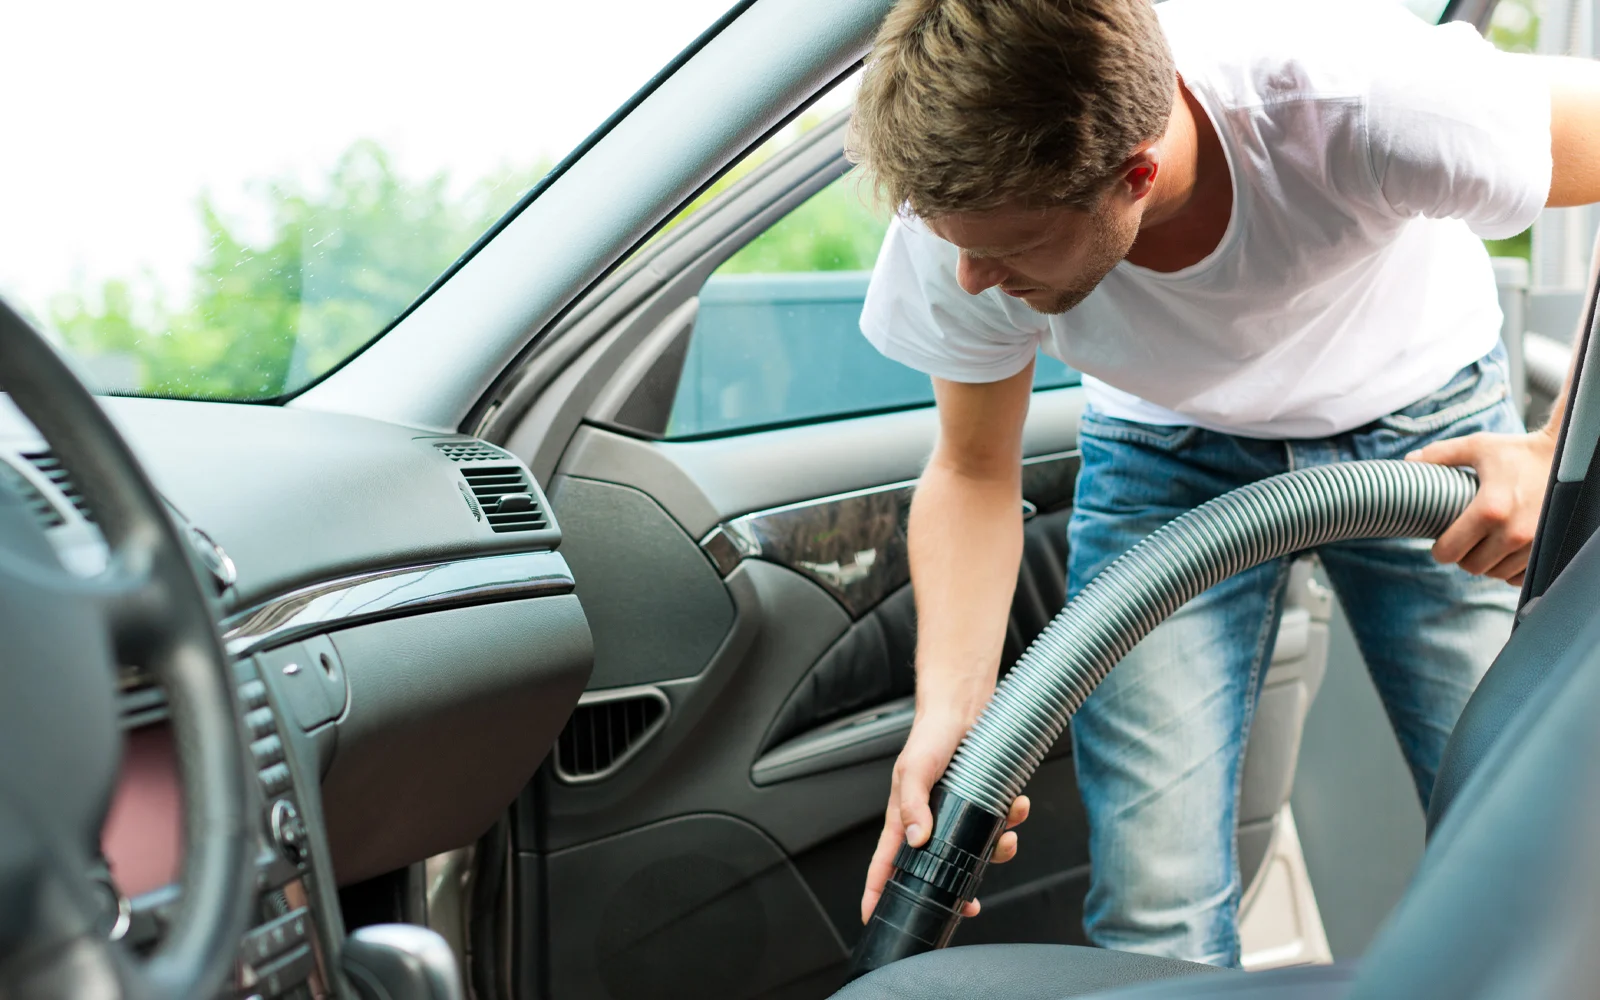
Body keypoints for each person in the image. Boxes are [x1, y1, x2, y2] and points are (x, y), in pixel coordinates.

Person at [849, 0, 1600, 968]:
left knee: (1539, 836)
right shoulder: (962, 217)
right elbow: (971, 465)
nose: (966, 279)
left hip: (1424, 424)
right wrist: (952, 703)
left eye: (1006, 252)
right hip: (1162, 450)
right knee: (1151, 914)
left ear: (1136, 173)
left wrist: (1555, 451)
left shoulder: (1365, 94)